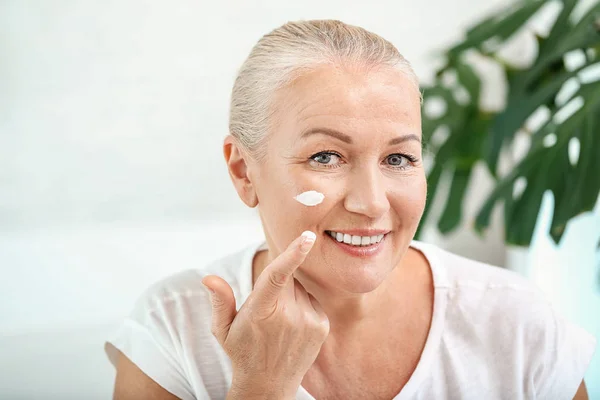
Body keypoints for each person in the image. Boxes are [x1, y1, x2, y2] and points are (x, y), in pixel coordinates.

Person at [105, 19, 596, 399]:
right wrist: (261, 387)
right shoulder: (174, 330)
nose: (372, 202)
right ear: (243, 171)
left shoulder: (515, 324)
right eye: (326, 157)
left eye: (399, 158)